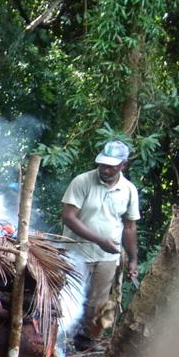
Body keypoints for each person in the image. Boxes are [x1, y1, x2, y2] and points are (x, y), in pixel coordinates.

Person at [61, 140, 140, 346]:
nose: (105, 169)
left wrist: (133, 259)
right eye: (102, 164)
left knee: (99, 304)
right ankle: (57, 341)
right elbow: (69, 217)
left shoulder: (129, 190)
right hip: (75, 252)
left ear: (123, 165)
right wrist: (99, 240)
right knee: (68, 299)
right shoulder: (82, 182)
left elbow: (130, 227)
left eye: (111, 166)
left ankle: (86, 343)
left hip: (107, 257)